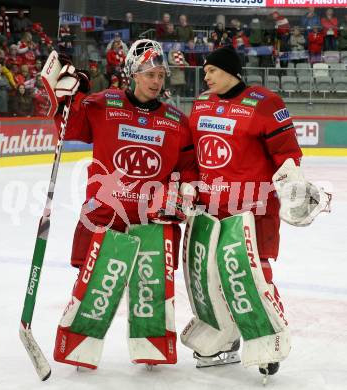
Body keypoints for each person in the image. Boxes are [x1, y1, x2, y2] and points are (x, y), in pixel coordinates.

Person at [45, 40, 197, 370]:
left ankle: (152, 349)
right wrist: (66, 98)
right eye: (149, 74)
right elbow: (71, 128)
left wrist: (182, 190)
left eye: (160, 75)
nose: (157, 81)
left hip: (152, 220)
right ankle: (79, 348)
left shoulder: (175, 119)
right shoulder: (103, 104)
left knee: (152, 290)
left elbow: (188, 166)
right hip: (105, 214)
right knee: (95, 285)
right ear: (132, 74)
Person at [182, 46, 330, 380]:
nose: (205, 77)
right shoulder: (202, 103)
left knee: (251, 276)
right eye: (205, 71)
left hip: (253, 210)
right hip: (210, 210)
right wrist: (189, 185)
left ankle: (268, 340)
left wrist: (293, 185)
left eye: (211, 70)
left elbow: (288, 156)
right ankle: (224, 336)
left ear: (230, 71)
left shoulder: (266, 104)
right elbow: (194, 155)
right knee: (210, 278)